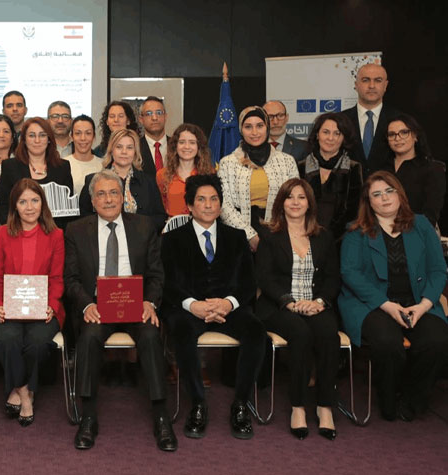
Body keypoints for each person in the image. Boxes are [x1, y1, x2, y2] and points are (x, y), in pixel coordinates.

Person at [64, 169, 175, 452]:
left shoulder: (144, 226)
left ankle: (161, 415)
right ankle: (88, 416)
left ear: (123, 197)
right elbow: (71, 279)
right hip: (98, 306)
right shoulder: (76, 230)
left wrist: (150, 302)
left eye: (114, 192)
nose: (108, 199)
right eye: (101, 194)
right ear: (92, 201)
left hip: (137, 304)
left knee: (150, 336)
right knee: (89, 337)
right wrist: (86, 304)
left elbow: (156, 274)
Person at [162, 174, 266, 440]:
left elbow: (248, 282)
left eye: (214, 199)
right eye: (201, 200)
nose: (208, 205)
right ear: (190, 205)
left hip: (228, 308)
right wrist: (192, 305)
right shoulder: (172, 239)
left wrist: (228, 303)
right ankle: (198, 404)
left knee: (256, 332)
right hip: (190, 308)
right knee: (181, 333)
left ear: (220, 204)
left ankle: (240, 404)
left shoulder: (237, 237)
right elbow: (167, 283)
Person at [338, 171, 448, 422]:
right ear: (368, 201)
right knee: (388, 344)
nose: (385, 198)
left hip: (418, 303)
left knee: (438, 341)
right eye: (377, 194)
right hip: (373, 305)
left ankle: (412, 399)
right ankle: (388, 399)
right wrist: (387, 306)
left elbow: (438, 270)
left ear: (400, 194)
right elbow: (350, 273)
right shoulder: (356, 231)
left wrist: (423, 306)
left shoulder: (421, 225)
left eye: (389, 191)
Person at [255, 178, 341, 441]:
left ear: (309, 203)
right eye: (290, 197)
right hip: (278, 306)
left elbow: (332, 278)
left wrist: (319, 302)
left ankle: (325, 406)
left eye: (301, 197)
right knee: (300, 334)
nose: (295, 202)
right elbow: (264, 277)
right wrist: (289, 302)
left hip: (315, 305)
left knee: (329, 334)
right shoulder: (270, 236)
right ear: (281, 203)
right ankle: (298, 406)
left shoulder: (324, 236)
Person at [0, 179, 64, 427]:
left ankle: (19, 390)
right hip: (7, 308)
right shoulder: (1, 234)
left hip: (43, 308)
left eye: (34, 200)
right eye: (23, 202)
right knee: (8, 340)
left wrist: (52, 305)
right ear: (14, 206)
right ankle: (25, 394)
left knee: (38, 342)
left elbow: (57, 278)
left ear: (43, 203)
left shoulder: (56, 235)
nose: (29, 207)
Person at [218, 106, 299, 251]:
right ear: (241, 130)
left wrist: (276, 234)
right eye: (248, 127)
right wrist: (250, 236)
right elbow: (224, 205)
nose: (254, 132)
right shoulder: (228, 163)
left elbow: (295, 200)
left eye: (260, 126)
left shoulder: (287, 161)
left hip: (279, 233)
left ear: (267, 127)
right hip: (238, 235)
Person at [80, 129, 167, 230]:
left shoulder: (149, 182)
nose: (124, 152)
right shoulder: (93, 181)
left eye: (129, 147)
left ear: (135, 151)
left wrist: (141, 229)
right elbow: (84, 217)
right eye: (119, 147)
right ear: (111, 150)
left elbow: (160, 217)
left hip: (141, 237)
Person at [0, 118, 74, 225]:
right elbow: (3, 207)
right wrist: (16, 230)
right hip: (19, 231)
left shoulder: (63, 167)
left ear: (49, 139)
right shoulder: (10, 167)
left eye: (42, 135)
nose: (37, 140)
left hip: (55, 230)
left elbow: (68, 208)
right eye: (32, 135)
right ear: (24, 139)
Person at [297, 112, 363, 240]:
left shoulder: (353, 168)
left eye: (337, 133)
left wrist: (330, 237)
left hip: (342, 238)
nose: (331, 138)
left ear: (344, 138)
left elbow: (354, 210)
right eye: (326, 132)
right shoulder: (300, 167)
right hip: (304, 236)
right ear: (317, 135)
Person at [385, 113, 445, 226]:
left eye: (404, 132)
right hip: (380, 232)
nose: (397, 138)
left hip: (417, 231)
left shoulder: (432, 169)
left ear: (415, 136)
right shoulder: (381, 168)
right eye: (392, 134)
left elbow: (431, 214)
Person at [341, 63, 401, 175]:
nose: (372, 86)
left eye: (378, 80)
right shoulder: (340, 120)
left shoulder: (399, 120)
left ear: (385, 85)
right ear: (356, 85)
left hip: (387, 184)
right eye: (365, 80)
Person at [156, 123, 216, 217]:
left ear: (199, 147)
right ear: (175, 146)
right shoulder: (162, 175)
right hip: (172, 225)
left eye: (192, 142)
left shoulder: (209, 173)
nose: (187, 147)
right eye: (182, 142)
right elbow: (160, 209)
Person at [64, 115, 103, 195]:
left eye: (88, 133)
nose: (83, 138)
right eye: (78, 133)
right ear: (71, 137)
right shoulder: (62, 164)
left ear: (94, 136)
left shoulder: (103, 165)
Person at [138, 96, 169, 176]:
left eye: (159, 113)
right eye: (148, 114)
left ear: (165, 116)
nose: (154, 118)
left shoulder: (177, 146)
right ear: (141, 119)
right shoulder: (135, 148)